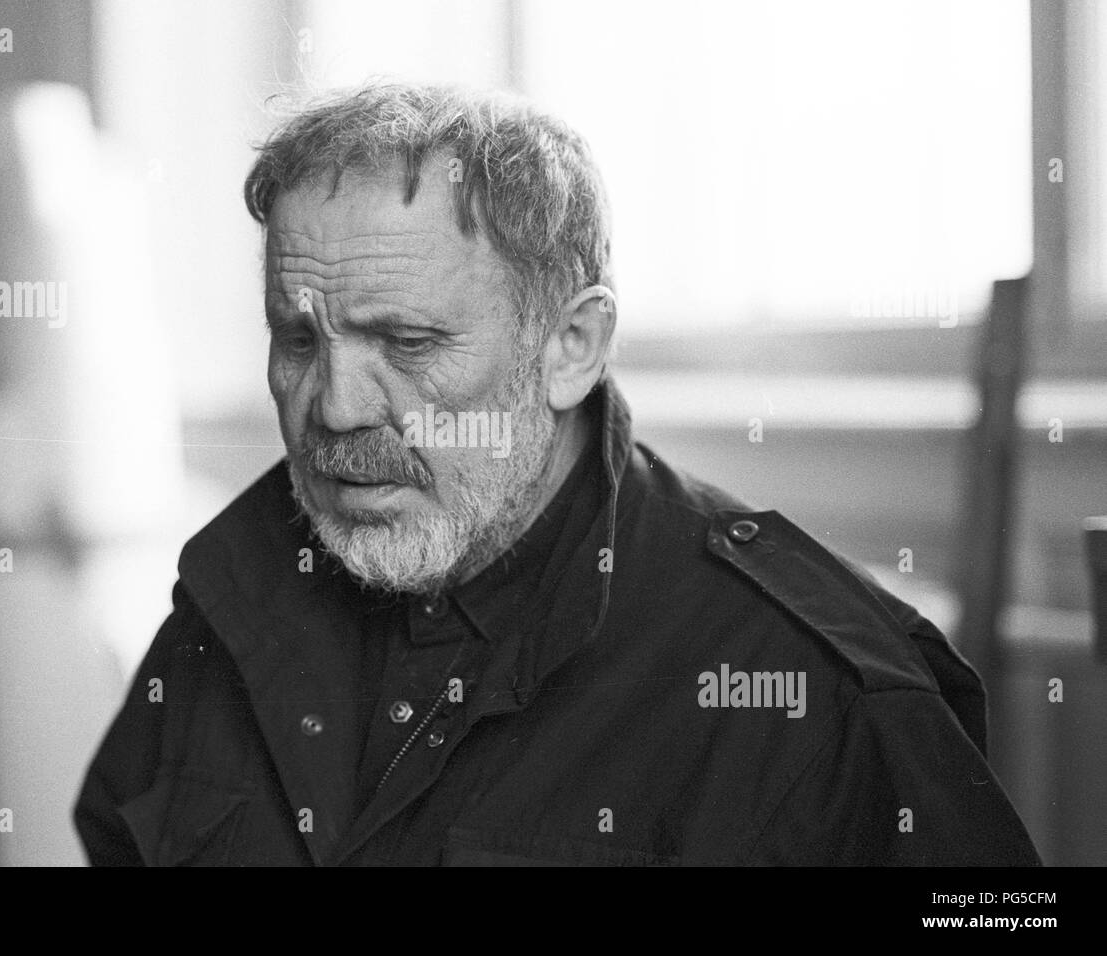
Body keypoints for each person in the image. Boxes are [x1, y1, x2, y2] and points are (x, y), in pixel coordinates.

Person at [74, 83, 1041, 866]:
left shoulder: (803, 685)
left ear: (572, 346)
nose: (333, 407)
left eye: (406, 342)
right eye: (297, 339)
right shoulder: (230, 601)